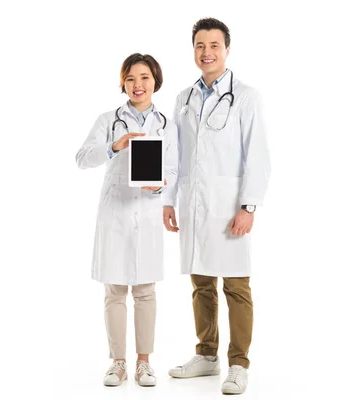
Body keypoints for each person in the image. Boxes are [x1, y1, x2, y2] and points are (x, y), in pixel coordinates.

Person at [162, 18, 271, 395]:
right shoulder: (183, 99)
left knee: (237, 285)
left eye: (214, 45)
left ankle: (238, 364)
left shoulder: (246, 96)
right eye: (199, 46)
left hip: (229, 205)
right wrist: (168, 199)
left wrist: (249, 206)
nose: (206, 52)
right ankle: (207, 356)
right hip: (194, 202)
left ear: (227, 49)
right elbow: (174, 156)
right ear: (193, 50)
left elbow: (257, 156)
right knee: (200, 282)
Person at [76, 53, 178, 387]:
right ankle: (118, 362)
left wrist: (161, 182)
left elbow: (175, 169)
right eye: (131, 78)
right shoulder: (109, 120)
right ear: (123, 83)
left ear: (155, 81)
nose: (138, 85)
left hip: (147, 213)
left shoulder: (166, 124)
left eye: (145, 77)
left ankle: (144, 363)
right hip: (116, 214)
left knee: (146, 291)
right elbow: (82, 159)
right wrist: (114, 145)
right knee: (115, 290)